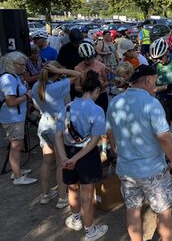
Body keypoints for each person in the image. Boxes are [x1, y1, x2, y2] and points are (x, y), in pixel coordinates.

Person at [106, 65, 172, 241]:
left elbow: (109, 132)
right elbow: (164, 138)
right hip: (152, 169)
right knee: (164, 211)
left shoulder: (115, 101)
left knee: (133, 210)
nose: (155, 84)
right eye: (155, 80)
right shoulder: (152, 103)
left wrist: (116, 150)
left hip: (126, 169)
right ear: (147, 80)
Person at [55, 71, 108, 241]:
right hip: (86, 155)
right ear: (97, 90)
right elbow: (94, 141)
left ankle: (76, 218)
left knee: (72, 187)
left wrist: (64, 158)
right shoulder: (97, 109)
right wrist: (75, 159)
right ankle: (90, 231)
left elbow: (58, 135)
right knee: (86, 193)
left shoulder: (67, 107)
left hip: (68, 151)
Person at [32, 62, 81, 208]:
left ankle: (45, 194)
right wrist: (59, 69)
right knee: (61, 164)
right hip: (56, 126)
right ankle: (61, 197)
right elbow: (77, 74)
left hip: (44, 124)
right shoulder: (56, 87)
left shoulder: (36, 86)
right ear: (56, 72)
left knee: (47, 161)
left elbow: (35, 105)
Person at [0, 51, 37, 185]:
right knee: (16, 146)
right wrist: (27, 96)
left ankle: (16, 171)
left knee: (16, 145)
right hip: (12, 117)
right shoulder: (8, 79)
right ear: (12, 64)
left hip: (15, 116)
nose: (24, 67)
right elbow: (10, 102)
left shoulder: (13, 77)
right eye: (21, 65)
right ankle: (17, 177)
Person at [74, 42, 109, 113]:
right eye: (87, 59)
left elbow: (107, 81)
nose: (90, 61)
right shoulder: (78, 68)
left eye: (91, 58)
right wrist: (88, 91)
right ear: (82, 58)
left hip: (101, 95)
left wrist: (98, 89)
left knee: (103, 114)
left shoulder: (101, 65)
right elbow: (77, 86)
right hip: (86, 98)